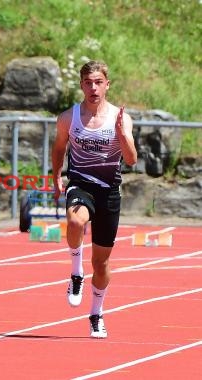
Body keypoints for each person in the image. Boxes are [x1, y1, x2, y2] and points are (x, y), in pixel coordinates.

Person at [52, 60, 137, 338]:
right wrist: (56, 176)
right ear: (81, 85)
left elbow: (131, 159)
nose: (93, 88)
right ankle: (76, 273)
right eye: (88, 83)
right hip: (80, 184)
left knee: (101, 264)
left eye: (98, 82)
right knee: (75, 221)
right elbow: (59, 147)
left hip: (109, 192)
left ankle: (96, 314)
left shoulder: (120, 118)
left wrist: (122, 133)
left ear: (107, 84)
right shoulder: (68, 117)